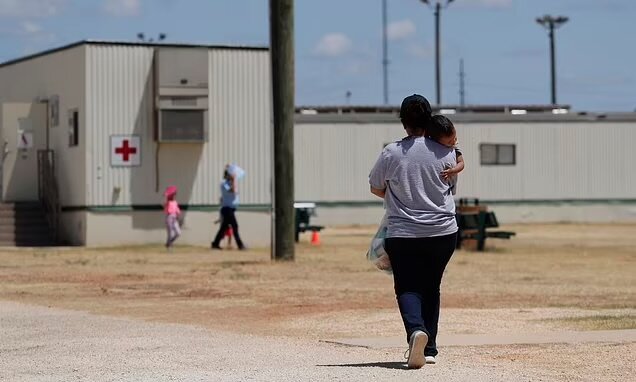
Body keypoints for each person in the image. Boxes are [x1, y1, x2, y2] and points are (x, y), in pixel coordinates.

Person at [368, 94, 458, 369]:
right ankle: (429, 349)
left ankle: (416, 331)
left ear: (404, 123)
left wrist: (394, 193)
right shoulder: (446, 152)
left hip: (403, 231)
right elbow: (451, 189)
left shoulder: (391, 152)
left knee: (407, 285)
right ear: (429, 119)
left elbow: (375, 186)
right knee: (432, 285)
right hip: (443, 231)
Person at [211, 166, 246, 250]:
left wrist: (233, 182)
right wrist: (233, 181)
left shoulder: (230, 183)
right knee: (235, 226)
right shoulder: (224, 183)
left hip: (231, 209)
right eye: (232, 174)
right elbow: (232, 191)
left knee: (223, 228)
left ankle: (215, 243)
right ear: (228, 174)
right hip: (227, 209)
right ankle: (240, 245)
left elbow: (234, 193)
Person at [428, 114, 465, 195]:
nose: (453, 142)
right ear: (437, 142)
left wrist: (453, 171)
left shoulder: (454, 148)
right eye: (449, 142)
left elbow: (461, 163)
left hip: (450, 186)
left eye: (454, 137)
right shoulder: (431, 146)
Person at [163, 185, 182, 251]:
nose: (174, 195)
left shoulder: (175, 202)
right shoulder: (168, 203)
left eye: (175, 194)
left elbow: (177, 211)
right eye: (174, 194)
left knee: (178, 233)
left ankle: (169, 243)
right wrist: (166, 202)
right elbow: (165, 210)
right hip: (169, 218)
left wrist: (178, 216)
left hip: (175, 218)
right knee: (170, 233)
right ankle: (169, 246)